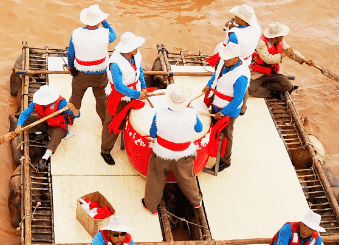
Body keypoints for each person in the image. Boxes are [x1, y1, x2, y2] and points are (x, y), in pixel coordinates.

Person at [143, 83, 205, 213]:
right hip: (184, 155)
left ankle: (151, 206)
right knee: (188, 179)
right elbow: (199, 129)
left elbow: (153, 134)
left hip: (161, 154)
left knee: (155, 179)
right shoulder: (192, 113)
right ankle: (196, 202)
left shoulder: (159, 114)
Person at [101, 31, 148, 166]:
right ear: (127, 49)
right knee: (112, 123)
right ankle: (105, 150)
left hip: (135, 90)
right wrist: (137, 94)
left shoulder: (136, 55)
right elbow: (119, 87)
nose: (137, 48)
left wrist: (143, 87)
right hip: (120, 97)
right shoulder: (115, 64)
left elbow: (139, 71)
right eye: (134, 46)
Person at [202, 42, 249, 172]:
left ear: (236, 57)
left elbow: (237, 100)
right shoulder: (225, 63)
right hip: (217, 103)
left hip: (228, 112)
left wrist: (223, 112)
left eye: (228, 58)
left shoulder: (241, 77)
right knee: (213, 127)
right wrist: (209, 85)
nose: (225, 60)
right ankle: (212, 148)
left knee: (227, 135)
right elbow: (216, 76)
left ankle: (225, 160)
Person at [67, 5, 116, 124]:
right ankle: (104, 121)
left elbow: (70, 54)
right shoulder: (105, 34)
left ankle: (70, 120)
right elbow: (113, 35)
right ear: (98, 21)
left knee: (75, 99)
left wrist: (71, 66)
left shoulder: (76, 33)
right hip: (100, 75)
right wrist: (104, 22)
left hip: (81, 74)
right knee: (101, 100)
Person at [15, 84, 76, 162]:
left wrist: (74, 110)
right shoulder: (37, 101)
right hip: (45, 122)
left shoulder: (61, 104)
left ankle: (46, 156)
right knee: (27, 119)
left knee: (57, 135)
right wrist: (19, 125)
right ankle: (40, 132)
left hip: (57, 127)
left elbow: (77, 114)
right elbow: (25, 113)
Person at [249, 22, 297, 97]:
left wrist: (305, 60)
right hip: (258, 73)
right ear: (275, 36)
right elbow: (267, 59)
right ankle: (273, 92)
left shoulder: (280, 41)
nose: (283, 36)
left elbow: (291, 52)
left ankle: (268, 85)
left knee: (288, 86)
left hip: (272, 72)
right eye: (281, 35)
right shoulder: (260, 42)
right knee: (251, 91)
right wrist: (284, 54)